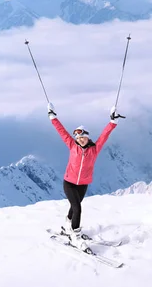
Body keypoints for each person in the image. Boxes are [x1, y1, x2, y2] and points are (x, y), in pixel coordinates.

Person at [47, 102, 124, 251]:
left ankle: (66, 226)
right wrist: (52, 117)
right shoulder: (72, 146)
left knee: (73, 207)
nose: (80, 139)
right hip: (69, 182)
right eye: (78, 137)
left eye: (83, 136)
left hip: (83, 184)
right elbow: (61, 131)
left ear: (88, 138)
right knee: (77, 208)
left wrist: (112, 122)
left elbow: (104, 136)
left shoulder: (94, 150)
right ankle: (75, 236)